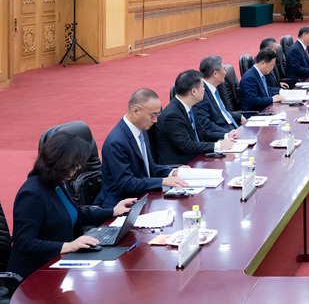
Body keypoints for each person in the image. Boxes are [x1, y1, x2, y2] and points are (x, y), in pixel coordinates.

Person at [8, 133, 136, 283]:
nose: (78, 169)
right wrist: (68, 246)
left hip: (61, 264)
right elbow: (25, 242)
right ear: (60, 162)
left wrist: (112, 211)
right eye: (75, 165)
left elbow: (73, 212)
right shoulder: (32, 194)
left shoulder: (58, 182)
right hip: (35, 275)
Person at [95, 89, 188, 208]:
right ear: (135, 111)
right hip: (121, 205)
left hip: (142, 196)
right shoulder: (117, 142)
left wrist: (172, 171)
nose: (155, 121)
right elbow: (126, 184)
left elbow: (148, 168)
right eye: (152, 116)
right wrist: (162, 181)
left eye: (157, 115)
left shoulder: (141, 130)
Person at [155, 70, 236, 166]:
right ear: (194, 91)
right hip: (181, 165)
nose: (204, 90)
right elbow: (187, 146)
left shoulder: (188, 107)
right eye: (202, 87)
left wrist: (226, 136)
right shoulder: (172, 115)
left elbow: (203, 133)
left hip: (196, 158)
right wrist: (218, 146)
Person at [194, 56, 247, 138]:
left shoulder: (213, 88)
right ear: (215, 74)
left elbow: (221, 112)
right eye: (224, 70)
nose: (225, 72)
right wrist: (227, 134)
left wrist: (239, 116)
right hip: (223, 136)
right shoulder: (201, 94)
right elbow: (205, 125)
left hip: (233, 129)